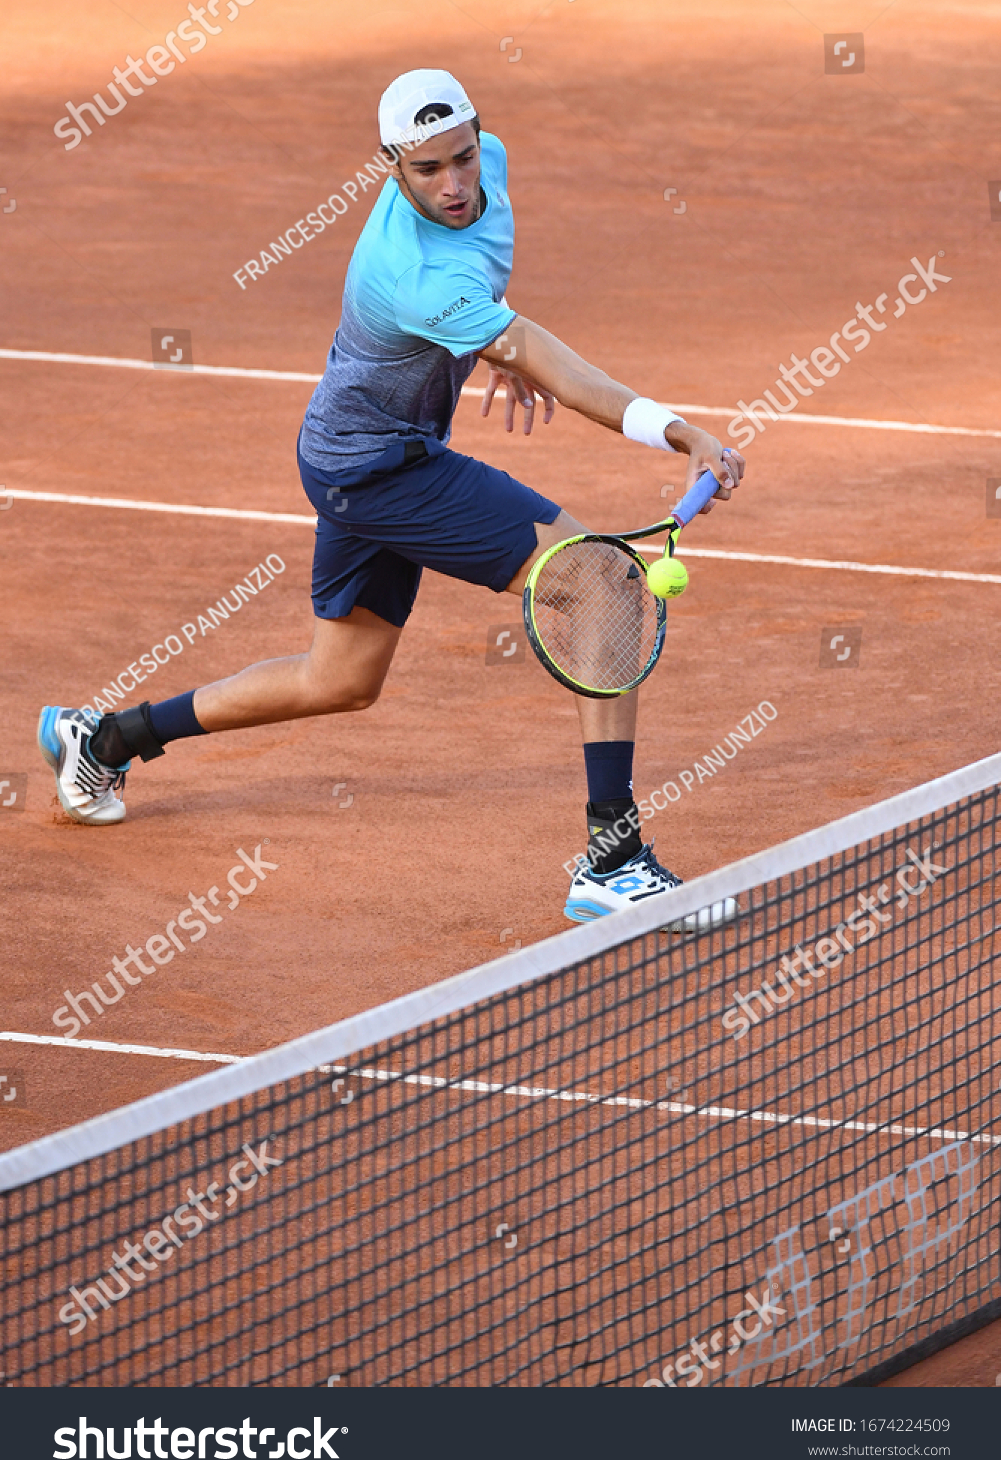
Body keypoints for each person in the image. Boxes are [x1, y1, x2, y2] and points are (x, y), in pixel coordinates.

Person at [39, 68, 744, 926]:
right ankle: (612, 858)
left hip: (350, 454)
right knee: (603, 582)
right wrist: (678, 432)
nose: (453, 185)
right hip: (379, 470)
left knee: (338, 680)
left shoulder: (490, 166)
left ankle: (107, 738)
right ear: (388, 166)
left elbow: (495, 305)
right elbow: (544, 357)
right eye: (425, 170)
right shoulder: (407, 275)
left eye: (461, 159)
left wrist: (485, 343)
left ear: (479, 136)